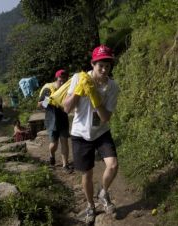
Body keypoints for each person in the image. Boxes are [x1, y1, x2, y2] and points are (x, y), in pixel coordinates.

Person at [63, 45, 119, 223]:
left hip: (101, 132)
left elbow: (105, 118)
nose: (104, 69)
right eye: (100, 65)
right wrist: (79, 91)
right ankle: (90, 206)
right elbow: (66, 108)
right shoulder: (79, 78)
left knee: (113, 165)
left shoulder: (112, 87)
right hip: (80, 134)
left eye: (107, 66)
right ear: (93, 64)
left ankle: (103, 192)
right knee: (86, 174)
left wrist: (94, 97)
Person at [38, 69, 72, 174]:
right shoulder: (48, 89)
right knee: (54, 144)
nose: (62, 81)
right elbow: (39, 105)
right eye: (60, 79)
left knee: (64, 142)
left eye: (64, 79)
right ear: (56, 78)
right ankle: (51, 155)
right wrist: (48, 100)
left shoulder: (67, 89)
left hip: (63, 118)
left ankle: (65, 165)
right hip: (51, 119)